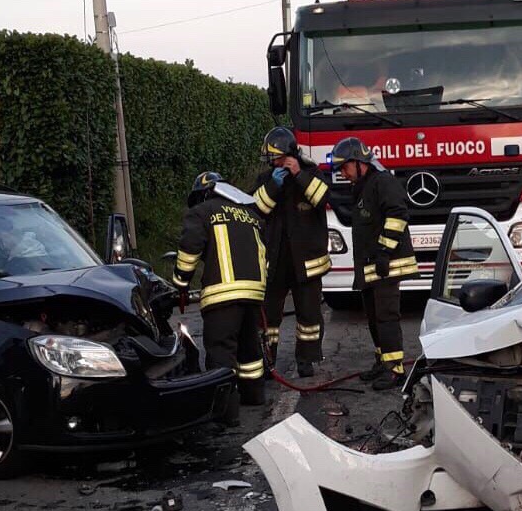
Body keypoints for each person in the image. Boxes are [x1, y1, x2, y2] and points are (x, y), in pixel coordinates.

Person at [173, 171, 267, 426]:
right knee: (249, 346)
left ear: (203, 193)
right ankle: (254, 394)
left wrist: (180, 282)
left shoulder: (201, 212)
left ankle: (227, 413)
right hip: (254, 292)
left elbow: (189, 249)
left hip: (222, 294)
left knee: (221, 350)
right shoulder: (249, 214)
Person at [330, 136, 418, 390]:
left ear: (359, 162)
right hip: (371, 267)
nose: (343, 174)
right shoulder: (363, 185)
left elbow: (398, 215)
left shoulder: (383, 182)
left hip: (388, 264)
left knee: (386, 317)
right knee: (373, 318)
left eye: (345, 167)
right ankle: (382, 362)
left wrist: (383, 252)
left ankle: (395, 370)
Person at [253, 126, 331, 378]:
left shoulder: (311, 173)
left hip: (306, 261)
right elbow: (255, 210)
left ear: (288, 154)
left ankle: (306, 360)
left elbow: (322, 198)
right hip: (275, 261)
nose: (272, 162)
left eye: (275, 157)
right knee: (269, 316)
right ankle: (268, 359)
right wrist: (273, 187)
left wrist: (299, 175)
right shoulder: (267, 180)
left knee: (308, 314)